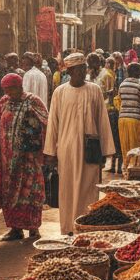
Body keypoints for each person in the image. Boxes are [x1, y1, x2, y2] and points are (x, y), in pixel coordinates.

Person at [43, 53, 115, 235]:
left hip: (90, 149)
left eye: (84, 68)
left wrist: (106, 150)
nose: (83, 72)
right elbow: (53, 123)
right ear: (70, 71)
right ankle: (68, 228)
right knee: (67, 188)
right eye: (79, 69)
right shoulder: (60, 92)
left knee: (89, 187)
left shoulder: (94, 90)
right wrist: (50, 151)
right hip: (66, 148)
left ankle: (88, 227)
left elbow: (102, 120)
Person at [0, 73, 47, 240]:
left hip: (28, 158)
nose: (9, 93)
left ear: (20, 86)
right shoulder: (3, 102)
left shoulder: (33, 101)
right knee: (9, 192)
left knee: (31, 192)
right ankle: (15, 229)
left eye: (12, 89)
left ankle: (33, 228)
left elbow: (46, 122)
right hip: (6, 159)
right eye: (6, 90)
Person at [117, 61, 140, 160]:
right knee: (135, 148)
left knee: (125, 148)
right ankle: (134, 171)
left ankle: (126, 171)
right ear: (137, 72)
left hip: (122, 120)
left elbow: (119, 101)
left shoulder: (122, 84)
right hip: (135, 120)